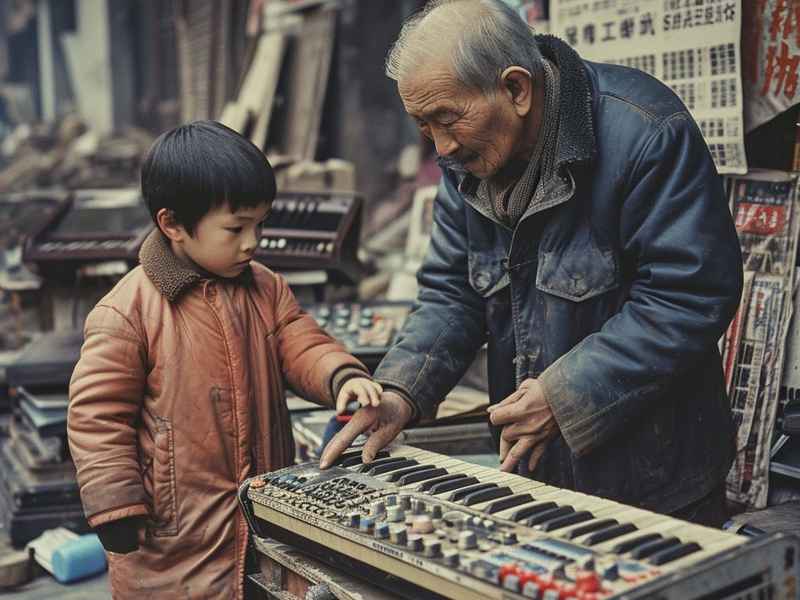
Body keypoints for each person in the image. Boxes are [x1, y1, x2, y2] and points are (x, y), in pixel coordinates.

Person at [321, 0, 743, 527]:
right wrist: (402, 390)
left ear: (517, 89)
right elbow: (453, 293)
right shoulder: (464, 160)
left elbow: (689, 295)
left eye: (447, 119)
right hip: (531, 477)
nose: (441, 146)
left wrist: (564, 396)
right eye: (423, 125)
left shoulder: (646, 134)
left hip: (654, 480)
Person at [67, 121, 382, 599]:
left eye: (259, 225)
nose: (252, 242)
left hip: (263, 522)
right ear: (172, 224)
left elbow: (301, 342)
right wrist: (116, 506)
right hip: (172, 543)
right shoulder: (127, 311)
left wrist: (339, 374)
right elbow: (96, 417)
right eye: (235, 228)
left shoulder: (265, 287)